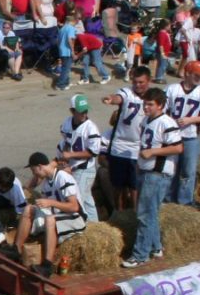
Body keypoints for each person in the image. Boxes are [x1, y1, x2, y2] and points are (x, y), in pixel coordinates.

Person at [122, 87, 182, 269]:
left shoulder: (167, 122)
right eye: (144, 104)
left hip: (157, 174)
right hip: (146, 172)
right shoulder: (147, 121)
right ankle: (156, 247)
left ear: (161, 105)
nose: (146, 108)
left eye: (150, 104)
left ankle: (140, 255)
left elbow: (178, 148)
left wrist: (153, 152)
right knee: (151, 213)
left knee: (144, 214)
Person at [14, 152, 85, 276]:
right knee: (28, 209)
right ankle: (16, 249)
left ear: (40, 166)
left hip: (76, 217)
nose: (33, 174)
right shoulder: (47, 183)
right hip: (59, 214)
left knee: (50, 220)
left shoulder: (62, 177)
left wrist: (50, 202)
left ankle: (47, 265)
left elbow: (74, 207)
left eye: (33, 170)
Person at [103, 68, 153, 213]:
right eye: (135, 82)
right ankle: (118, 212)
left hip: (139, 148)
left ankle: (135, 212)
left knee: (135, 185)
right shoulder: (127, 92)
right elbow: (119, 97)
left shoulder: (152, 98)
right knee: (117, 185)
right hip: (120, 146)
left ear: (148, 81)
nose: (137, 85)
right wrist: (111, 99)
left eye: (141, 82)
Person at [165, 61, 200, 207]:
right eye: (196, 75)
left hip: (191, 136)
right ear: (187, 74)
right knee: (170, 171)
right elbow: (163, 111)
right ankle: (168, 201)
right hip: (173, 137)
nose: (199, 78)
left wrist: (191, 120)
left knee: (188, 172)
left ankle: (184, 202)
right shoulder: (172, 89)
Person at [58, 95, 104, 222]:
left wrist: (71, 155)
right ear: (72, 111)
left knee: (77, 199)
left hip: (85, 168)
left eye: (86, 110)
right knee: (87, 200)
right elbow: (67, 141)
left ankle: (83, 226)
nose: (84, 113)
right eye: (81, 111)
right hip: (73, 168)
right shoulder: (67, 123)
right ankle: (95, 226)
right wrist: (65, 157)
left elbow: (93, 152)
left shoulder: (91, 128)